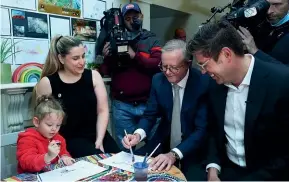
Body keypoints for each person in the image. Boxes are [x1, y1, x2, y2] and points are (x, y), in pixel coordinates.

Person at [186, 20, 289, 181]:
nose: (203, 72)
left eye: (204, 65)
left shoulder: (281, 82)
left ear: (226, 54)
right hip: (227, 170)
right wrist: (213, 167)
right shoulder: (215, 84)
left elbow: (284, 155)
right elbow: (214, 130)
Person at [121, 39, 210, 175]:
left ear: (188, 64)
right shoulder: (158, 80)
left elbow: (201, 130)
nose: (167, 72)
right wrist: (137, 135)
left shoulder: (202, 83)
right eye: (164, 66)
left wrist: (174, 154)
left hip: (193, 148)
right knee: (129, 169)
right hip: (162, 143)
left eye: (173, 67)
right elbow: (150, 115)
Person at [35, 35, 120, 158]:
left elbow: (103, 110)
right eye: (75, 58)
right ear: (61, 59)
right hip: (70, 140)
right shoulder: (47, 83)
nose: (82, 62)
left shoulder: (94, 76)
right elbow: (42, 120)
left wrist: (99, 139)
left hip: (98, 134)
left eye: (83, 56)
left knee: (122, 161)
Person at [99, 2, 162, 149]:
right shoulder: (113, 39)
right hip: (122, 106)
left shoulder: (151, 39)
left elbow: (158, 64)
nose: (133, 20)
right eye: (128, 18)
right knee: (125, 148)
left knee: (155, 147)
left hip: (148, 104)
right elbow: (106, 71)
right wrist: (106, 56)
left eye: (136, 16)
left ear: (142, 16)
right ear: (121, 20)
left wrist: (135, 56)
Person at [17, 95, 74, 173]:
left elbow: (64, 153)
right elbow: (26, 162)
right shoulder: (27, 139)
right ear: (36, 122)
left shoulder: (59, 139)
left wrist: (65, 157)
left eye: (58, 125)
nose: (54, 129)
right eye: (49, 125)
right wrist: (47, 157)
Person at [237, 0, 289, 65]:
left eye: (277, 4)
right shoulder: (259, 17)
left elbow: (284, 72)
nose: (269, 11)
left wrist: (255, 51)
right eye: (266, 4)